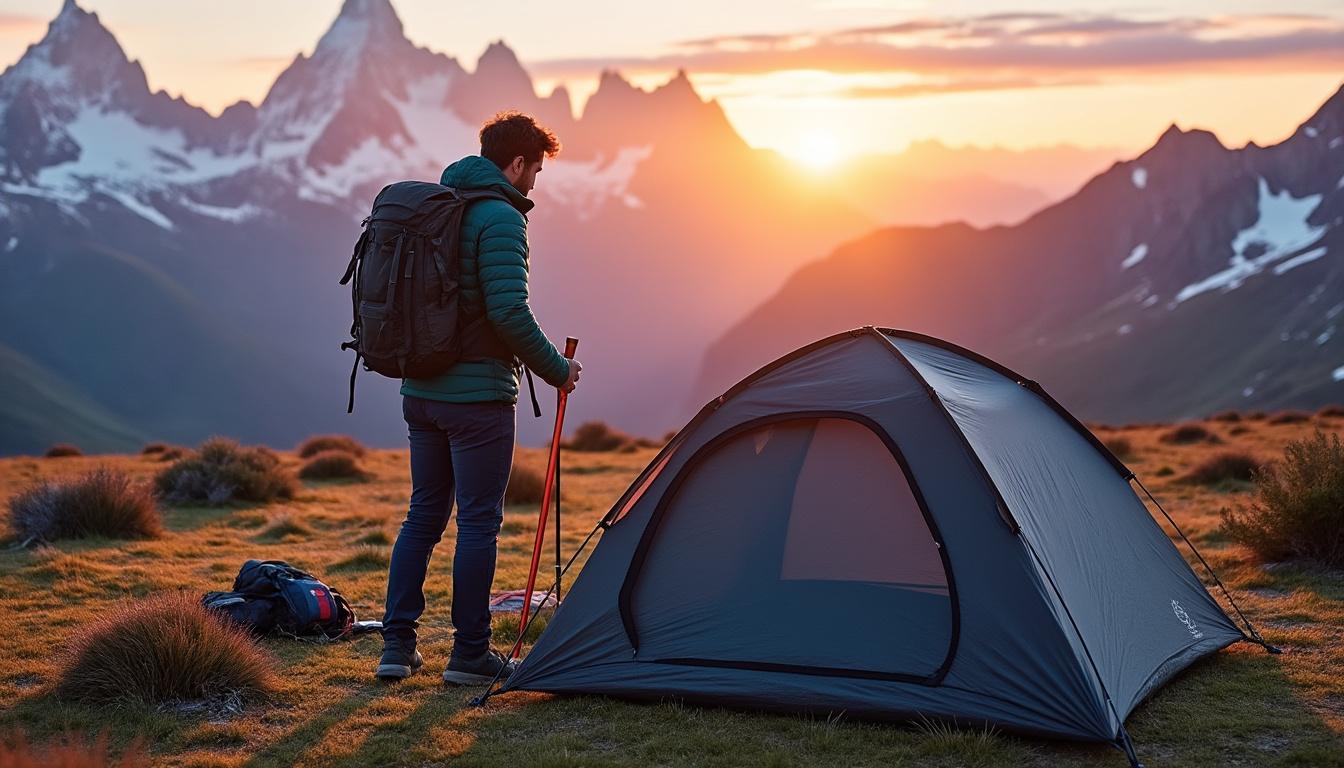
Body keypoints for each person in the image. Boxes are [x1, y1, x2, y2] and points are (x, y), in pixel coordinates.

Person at [377, 111, 582, 683]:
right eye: (535, 170)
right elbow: (508, 312)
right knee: (477, 523)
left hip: (420, 390)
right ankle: (469, 653)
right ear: (515, 163)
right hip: (477, 400)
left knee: (422, 516)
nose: (535, 183)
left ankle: (396, 647)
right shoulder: (500, 218)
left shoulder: (438, 207)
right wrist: (558, 370)